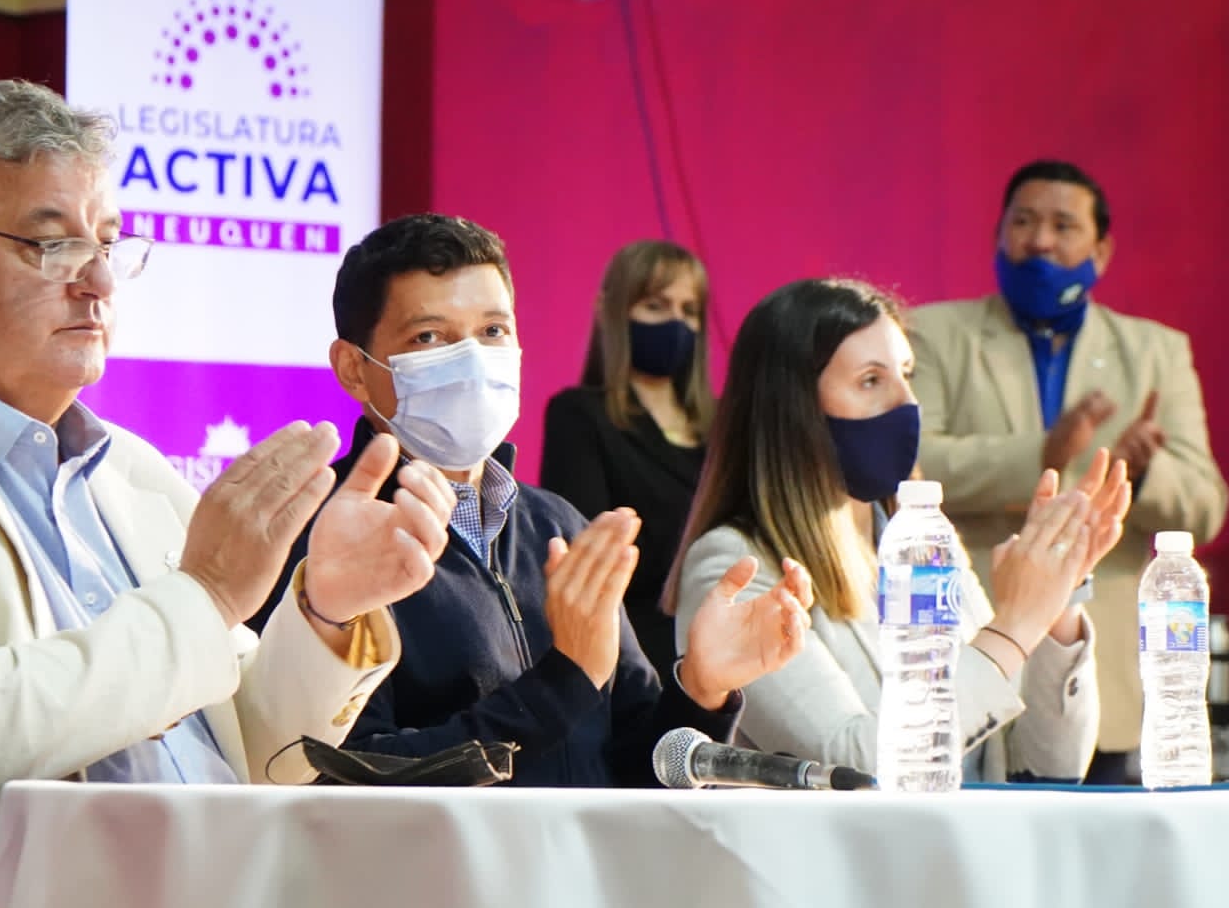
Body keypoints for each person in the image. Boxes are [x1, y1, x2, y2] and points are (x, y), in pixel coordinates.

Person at [0, 80, 455, 908]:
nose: (101, 280)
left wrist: (323, 609)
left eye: (107, 242)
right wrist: (209, 593)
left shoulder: (131, 471)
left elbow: (246, 746)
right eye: (52, 246)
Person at [251, 213, 814, 788]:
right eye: (429, 338)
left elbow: (634, 768)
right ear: (354, 369)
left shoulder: (557, 524)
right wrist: (565, 680)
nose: (472, 358)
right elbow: (338, 779)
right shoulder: (320, 539)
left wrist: (702, 688)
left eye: (493, 330)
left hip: (581, 850)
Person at [666, 278, 1132, 781]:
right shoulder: (735, 565)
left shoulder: (923, 542)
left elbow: (1046, 767)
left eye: (906, 374)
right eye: (871, 380)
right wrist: (1015, 627)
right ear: (793, 408)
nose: (907, 402)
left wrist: (1055, 607)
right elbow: (858, 767)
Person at [908, 159, 1229, 782]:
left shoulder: (1156, 351)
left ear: (1101, 251)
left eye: (1063, 225)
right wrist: (1044, 455)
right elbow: (915, 467)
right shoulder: (933, 335)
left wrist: (1140, 474)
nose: (1041, 241)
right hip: (969, 653)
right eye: (1024, 222)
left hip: (1102, 675)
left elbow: (1205, 506)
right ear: (999, 235)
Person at [540, 239, 714, 672]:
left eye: (689, 310)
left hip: (724, 646)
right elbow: (588, 552)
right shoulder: (580, 415)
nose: (676, 323)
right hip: (635, 656)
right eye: (655, 306)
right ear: (611, 311)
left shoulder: (723, 426)